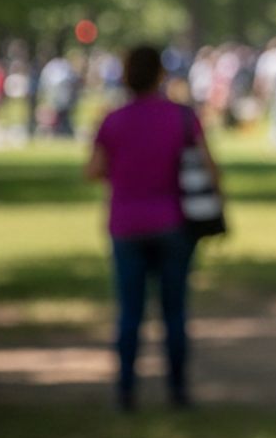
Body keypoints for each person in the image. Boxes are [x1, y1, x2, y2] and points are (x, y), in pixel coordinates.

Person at [86, 45, 214, 411]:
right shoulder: (180, 117)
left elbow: (93, 169)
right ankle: (178, 390)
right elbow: (208, 167)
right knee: (174, 311)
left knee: (130, 311)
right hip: (173, 223)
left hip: (126, 226)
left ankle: (126, 391)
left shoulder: (114, 121)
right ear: (161, 74)